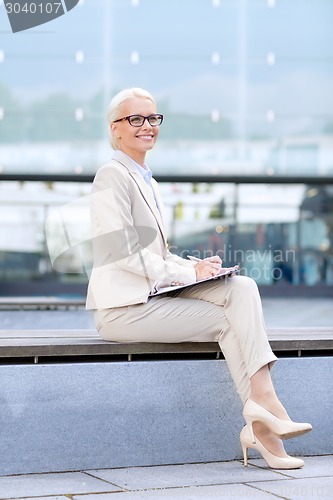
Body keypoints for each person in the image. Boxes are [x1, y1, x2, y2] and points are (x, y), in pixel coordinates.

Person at [86, 87, 312, 470]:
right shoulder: (112, 176)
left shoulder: (146, 180)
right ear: (116, 129)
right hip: (123, 309)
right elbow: (125, 254)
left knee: (241, 287)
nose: (147, 126)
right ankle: (265, 416)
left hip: (151, 298)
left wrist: (195, 265)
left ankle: (264, 416)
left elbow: (156, 254)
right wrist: (187, 272)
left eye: (153, 118)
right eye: (135, 119)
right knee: (232, 319)